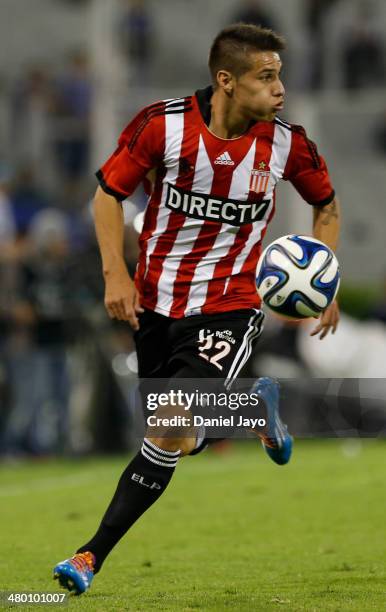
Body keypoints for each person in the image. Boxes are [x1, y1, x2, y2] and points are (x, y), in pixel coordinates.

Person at [53, 24, 341, 595]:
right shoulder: (163, 125)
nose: (280, 89)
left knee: (168, 427)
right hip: (157, 302)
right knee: (180, 437)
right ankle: (253, 414)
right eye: (267, 77)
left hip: (229, 306)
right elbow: (108, 195)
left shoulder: (287, 145)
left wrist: (323, 278)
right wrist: (117, 272)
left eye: (280, 75)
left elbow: (326, 207)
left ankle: (88, 555)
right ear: (226, 81)